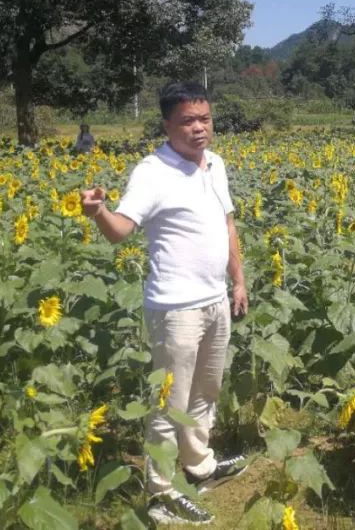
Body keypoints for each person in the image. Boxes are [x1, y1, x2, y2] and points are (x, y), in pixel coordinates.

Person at [81, 82, 248, 527]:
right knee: (168, 402)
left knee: (205, 391)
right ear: (167, 125)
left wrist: (238, 280)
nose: (199, 128)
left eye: (205, 119)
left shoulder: (215, 165)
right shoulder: (152, 172)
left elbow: (226, 223)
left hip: (214, 299)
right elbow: (121, 230)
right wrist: (98, 212)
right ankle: (161, 493)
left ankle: (200, 464)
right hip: (175, 308)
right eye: (188, 121)